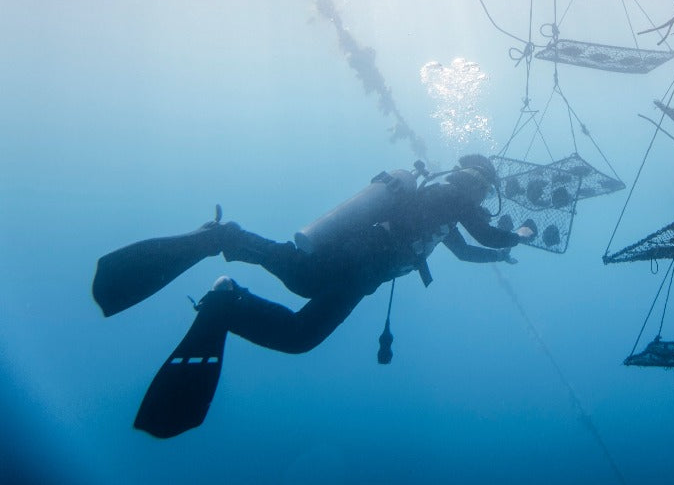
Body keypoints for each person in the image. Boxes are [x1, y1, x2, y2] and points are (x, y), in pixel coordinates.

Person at [92, 154, 531, 438]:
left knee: (300, 324)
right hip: (351, 264)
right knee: (300, 298)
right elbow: (489, 234)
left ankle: (225, 290)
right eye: (484, 189)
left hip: (356, 276)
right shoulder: (451, 196)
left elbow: (471, 250)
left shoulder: (442, 211)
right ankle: (224, 245)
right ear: (475, 182)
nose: (483, 197)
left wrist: (501, 258)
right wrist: (522, 235)